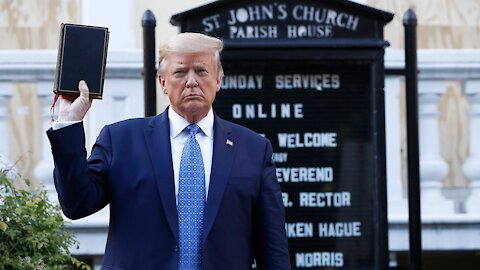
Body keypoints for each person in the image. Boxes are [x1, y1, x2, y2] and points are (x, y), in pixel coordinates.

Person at [47, 32, 290, 269]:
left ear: (218, 80)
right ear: (163, 82)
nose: (191, 81)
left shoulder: (254, 150)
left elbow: (273, 248)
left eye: (202, 71)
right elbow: (77, 204)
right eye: (180, 72)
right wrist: (69, 122)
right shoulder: (121, 140)